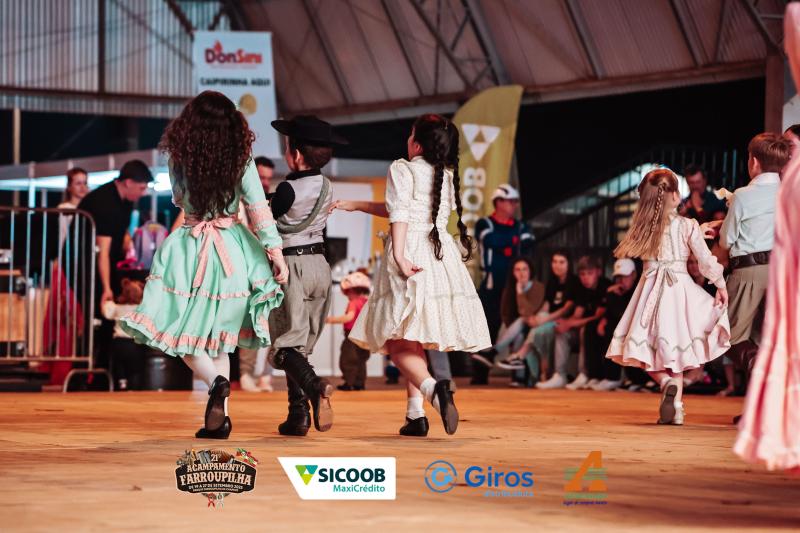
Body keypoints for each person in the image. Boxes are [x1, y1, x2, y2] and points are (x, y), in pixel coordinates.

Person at [120, 91, 288, 439]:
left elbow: (179, 198)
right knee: (220, 342)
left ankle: (215, 383)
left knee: (180, 334)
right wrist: (275, 253)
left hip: (189, 248)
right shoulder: (241, 158)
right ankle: (220, 419)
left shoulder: (180, 157)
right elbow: (258, 209)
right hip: (233, 251)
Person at [333, 113, 491, 437]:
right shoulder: (444, 176)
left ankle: (435, 391)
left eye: (410, 134)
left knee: (395, 341)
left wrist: (399, 256)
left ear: (417, 144)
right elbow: (400, 207)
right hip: (439, 254)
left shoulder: (402, 168)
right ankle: (415, 415)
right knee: (412, 336)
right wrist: (358, 204)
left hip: (412, 252)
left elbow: (401, 215)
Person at [606, 168, 730, 426]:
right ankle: (677, 406)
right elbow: (705, 260)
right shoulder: (687, 225)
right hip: (679, 291)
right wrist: (720, 284)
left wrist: (696, 229)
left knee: (643, 347)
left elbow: (664, 233)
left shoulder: (641, 228)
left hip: (650, 290)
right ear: (674, 195)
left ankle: (664, 383)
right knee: (677, 353)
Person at [734, 7, 800, 468]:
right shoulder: (787, 187)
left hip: (765, 269)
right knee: (772, 340)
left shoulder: (764, 189)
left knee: (741, 337)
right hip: (780, 269)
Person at [266, 115, 345, 437]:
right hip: (319, 267)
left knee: (285, 346)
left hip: (292, 268)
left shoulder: (287, 189)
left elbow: (267, 224)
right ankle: (297, 416)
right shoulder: (326, 186)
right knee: (300, 346)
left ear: (296, 155)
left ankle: (314, 388)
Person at [704, 133, 789, 411]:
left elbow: (727, 241)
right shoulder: (788, 193)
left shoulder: (743, 195)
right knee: (762, 338)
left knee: (726, 332)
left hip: (748, 271)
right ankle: (758, 412)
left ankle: (762, 372)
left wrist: (722, 226)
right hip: (779, 272)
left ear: (753, 162)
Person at [470, 184, 534, 384]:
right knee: (487, 327)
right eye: (511, 201)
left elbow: (528, 244)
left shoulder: (521, 226)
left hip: (515, 285)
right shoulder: (485, 223)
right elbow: (492, 241)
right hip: (492, 285)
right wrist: (512, 242)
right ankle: (480, 375)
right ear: (498, 202)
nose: (514, 205)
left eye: (515, 202)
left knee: (517, 326)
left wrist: (507, 244)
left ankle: (519, 376)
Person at [499, 251, 577, 381]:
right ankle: (531, 374)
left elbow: (566, 309)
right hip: (549, 320)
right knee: (530, 325)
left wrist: (544, 319)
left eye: (561, 262)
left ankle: (519, 356)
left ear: (569, 264)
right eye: (554, 262)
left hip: (564, 322)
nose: (557, 265)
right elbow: (546, 304)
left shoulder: (573, 282)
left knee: (536, 330)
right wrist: (538, 317)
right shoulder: (552, 281)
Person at [537, 255, 610, 390]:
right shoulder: (582, 289)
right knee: (562, 332)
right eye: (582, 274)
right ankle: (559, 375)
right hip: (584, 328)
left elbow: (597, 317)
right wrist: (565, 323)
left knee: (584, 330)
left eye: (589, 273)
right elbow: (577, 315)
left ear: (598, 272)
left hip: (597, 332)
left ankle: (584, 373)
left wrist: (569, 323)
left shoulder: (605, 287)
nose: (585, 278)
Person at [478, 257, 545, 380]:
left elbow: (528, 312)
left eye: (524, 269)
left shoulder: (538, 287)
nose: (521, 273)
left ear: (530, 271)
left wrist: (520, 292)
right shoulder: (509, 288)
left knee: (521, 320)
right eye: (517, 270)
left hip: (536, 324)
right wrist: (511, 328)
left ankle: (493, 353)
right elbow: (505, 313)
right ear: (513, 273)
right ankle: (518, 378)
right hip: (516, 328)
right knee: (518, 334)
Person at [590, 259, 638, 391]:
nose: (621, 281)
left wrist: (615, 297)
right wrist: (611, 296)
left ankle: (630, 378)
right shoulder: (615, 292)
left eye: (624, 276)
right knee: (600, 327)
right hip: (623, 327)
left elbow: (624, 315)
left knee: (615, 329)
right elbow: (613, 313)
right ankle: (607, 376)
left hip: (638, 328)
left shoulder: (639, 291)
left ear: (634, 275)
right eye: (618, 277)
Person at [325, 271, 371, 391]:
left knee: (348, 359)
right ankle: (359, 383)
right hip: (364, 336)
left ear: (353, 290)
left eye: (348, 292)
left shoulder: (353, 302)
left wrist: (330, 320)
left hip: (352, 336)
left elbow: (349, 317)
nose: (347, 295)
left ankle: (349, 383)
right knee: (361, 360)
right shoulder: (366, 302)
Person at [102, 278, 147, 391]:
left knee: (119, 363)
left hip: (119, 343)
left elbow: (107, 312)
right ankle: (133, 386)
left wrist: (105, 300)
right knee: (135, 368)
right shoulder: (141, 309)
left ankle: (122, 381)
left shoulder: (118, 308)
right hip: (134, 344)